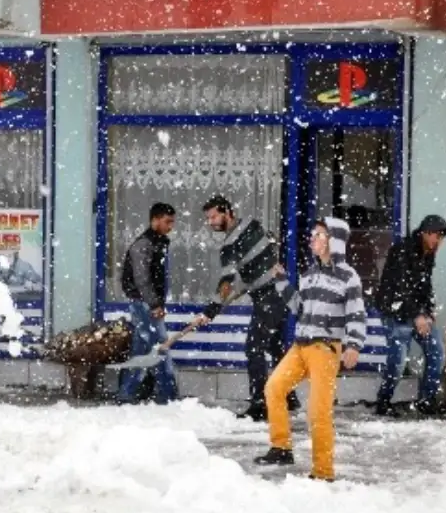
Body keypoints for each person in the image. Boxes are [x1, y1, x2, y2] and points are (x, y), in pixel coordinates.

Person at [257, 218, 368, 482]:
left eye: (318, 235)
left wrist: (354, 345)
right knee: (273, 387)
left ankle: (323, 471)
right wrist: (282, 281)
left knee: (318, 411)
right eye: (313, 235)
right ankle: (281, 447)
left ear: (334, 241)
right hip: (300, 346)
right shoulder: (309, 275)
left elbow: (357, 314)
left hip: (326, 349)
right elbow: (298, 308)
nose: (312, 239)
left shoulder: (348, 277)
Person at [195, 195, 298, 421]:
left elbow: (226, 282)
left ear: (227, 212)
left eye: (214, 216)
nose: (211, 222)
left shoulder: (229, 245)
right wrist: (263, 272)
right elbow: (271, 243)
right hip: (282, 292)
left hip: (268, 296)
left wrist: (211, 310)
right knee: (275, 346)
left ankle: (261, 405)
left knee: (254, 347)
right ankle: (288, 396)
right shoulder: (253, 224)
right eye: (208, 218)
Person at [373, 214, 446, 417]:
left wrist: (429, 311)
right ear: (425, 233)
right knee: (398, 361)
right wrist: (417, 315)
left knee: (437, 351)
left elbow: (425, 286)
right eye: (436, 236)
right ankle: (383, 401)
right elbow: (401, 287)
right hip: (396, 311)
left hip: (416, 311)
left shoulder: (428, 253)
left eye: (441, 237)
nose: (438, 241)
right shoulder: (403, 250)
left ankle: (426, 400)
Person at [117, 202, 179, 405]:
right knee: (160, 346)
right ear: (155, 219)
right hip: (145, 304)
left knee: (141, 349)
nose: (171, 226)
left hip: (145, 303)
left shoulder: (157, 242)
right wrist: (154, 304)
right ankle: (168, 394)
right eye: (167, 221)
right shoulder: (144, 244)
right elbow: (142, 279)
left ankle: (127, 392)